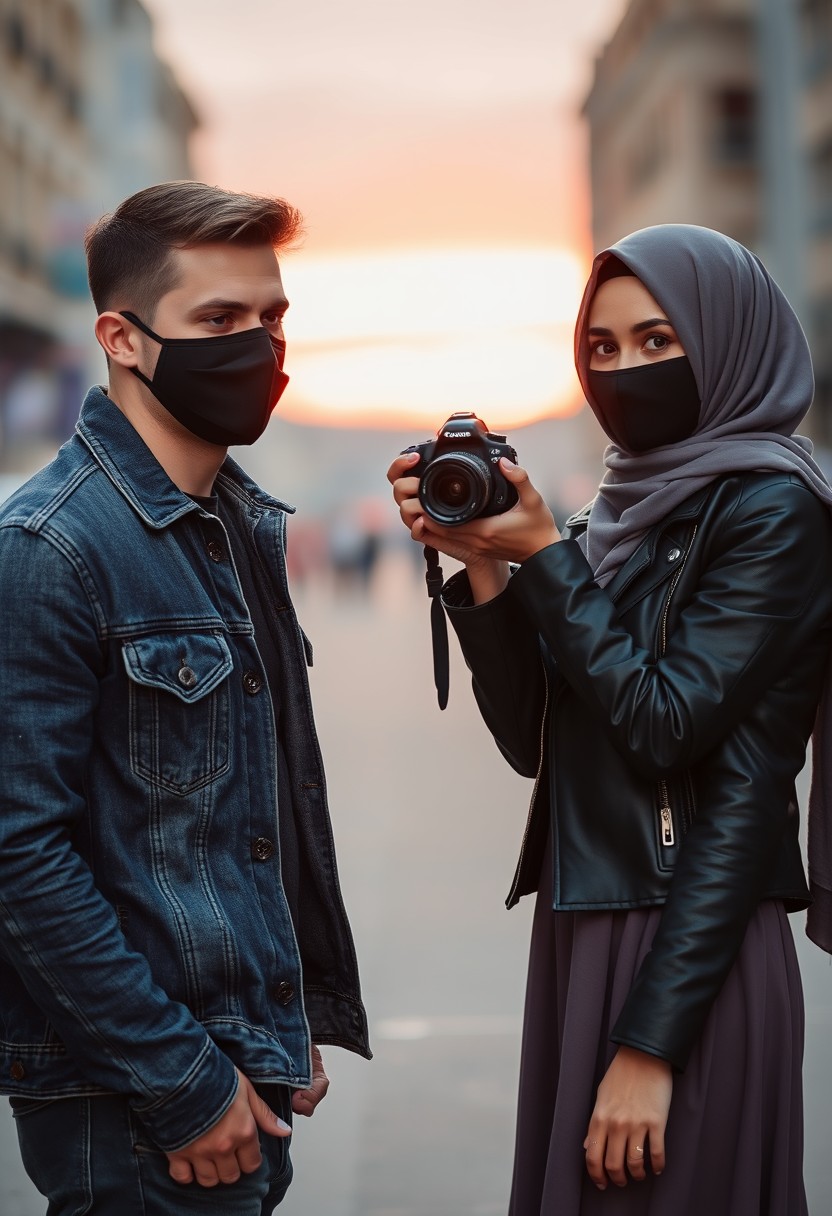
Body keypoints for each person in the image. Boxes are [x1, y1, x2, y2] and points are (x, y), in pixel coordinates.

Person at [388, 223, 832, 1215]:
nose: (622, 368)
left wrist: (649, 1044)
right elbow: (529, 738)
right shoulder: (617, 518)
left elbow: (680, 737)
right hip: (586, 927)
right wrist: (490, 561)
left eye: (656, 341)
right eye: (600, 346)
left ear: (726, 345)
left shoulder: (773, 512)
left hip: (687, 949)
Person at [0, 180, 370, 1215]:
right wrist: (186, 1083)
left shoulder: (237, 526)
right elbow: (19, 853)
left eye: (271, 317)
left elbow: (235, 825)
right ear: (120, 337)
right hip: (139, 1105)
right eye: (217, 320)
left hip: (240, 1071)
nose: (257, 347)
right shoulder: (50, 548)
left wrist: (277, 1028)